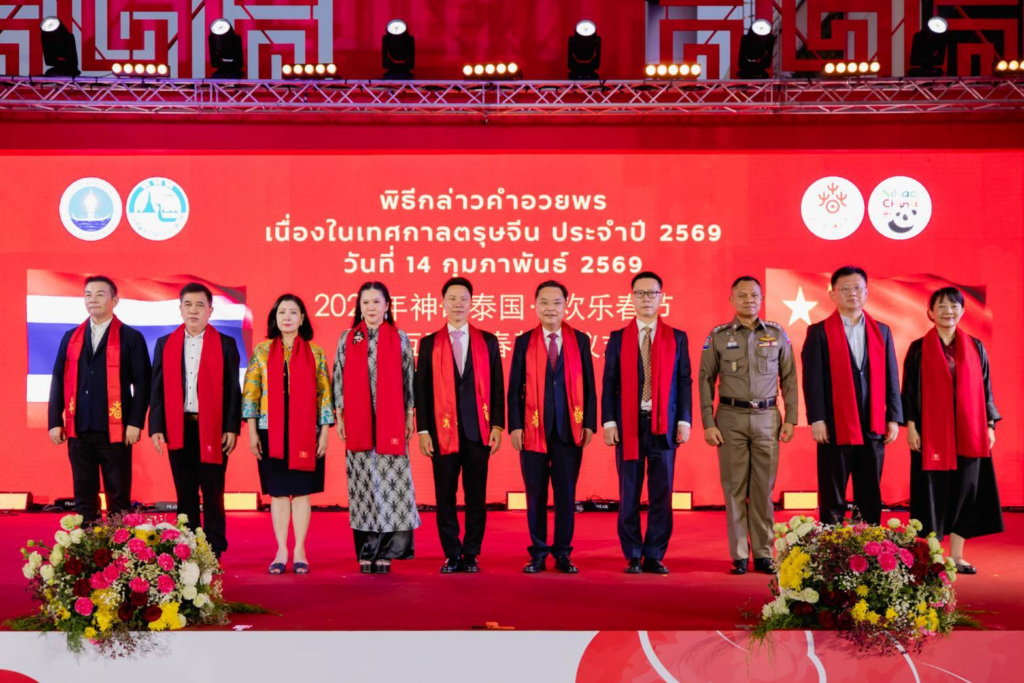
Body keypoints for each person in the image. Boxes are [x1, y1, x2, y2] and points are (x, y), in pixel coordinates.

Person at [699, 276, 798, 575]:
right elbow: (705, 380)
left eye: (754, 295)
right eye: (742, 295)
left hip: (768, 418)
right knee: (734, 488)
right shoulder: (718, 336)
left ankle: (764, 553)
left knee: (763, 489)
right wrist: (707, 422)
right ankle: (740, 553)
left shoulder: (777, 334)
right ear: (731, 300)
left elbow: (789, 378)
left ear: (761, 299)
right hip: (730, 418)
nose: (748, 300)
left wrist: (791, 418)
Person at [902, 287, 1002, 574]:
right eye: (942, 306)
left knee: (965, 492)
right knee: (932, 492)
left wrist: (990, 425)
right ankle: (933, 555)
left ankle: (957, 556)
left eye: (954, 306)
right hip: (931, 434)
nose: (948, 311)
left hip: (970, 432)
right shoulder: (919, 348)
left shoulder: (976, 346)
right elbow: (909, 391)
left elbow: (986, 388)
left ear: (962, 311)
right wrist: (911, 427)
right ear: (930, 312)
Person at [602, 271, 692, 574]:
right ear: (631, 298)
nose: (646, 299)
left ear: (661, 297)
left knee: (661, 493)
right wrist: (609, 422)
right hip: (629, 425)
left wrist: (684, 420)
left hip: (664, 425)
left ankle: (654, 553)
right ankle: (633, 554)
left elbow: (684, 381)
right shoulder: (618, 338)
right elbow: (609, 382)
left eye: (652, 293)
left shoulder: (677, 337)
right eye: (639, 293)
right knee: (629, 491)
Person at [414, 277, 505, 574]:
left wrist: (497, 425)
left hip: (478, 431)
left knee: (476, 495)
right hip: (442, 433)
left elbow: (497, 386)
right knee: (445, 495)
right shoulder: (429, 343)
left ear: (472, 302)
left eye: (463, 298)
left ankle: (471, 552)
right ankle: (452, 552)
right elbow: (421, 390)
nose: (458, 304)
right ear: (442, 303)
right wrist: (423, 430)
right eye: (452, 298)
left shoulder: (488, 341)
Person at [801, 266, 902, 527]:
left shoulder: (882, 331)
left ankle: (867, 545)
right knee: (832, 492)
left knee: (869, 493)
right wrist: (817, 419)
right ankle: (831, 544)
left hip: (873, 424)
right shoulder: (819, 332)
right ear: (832, 294)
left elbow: (892, 377)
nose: (852, 293)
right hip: (835, 425)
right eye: (845, 288)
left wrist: (893, 417)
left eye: (857, 288)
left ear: (866, 292)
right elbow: (812, 380)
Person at [508, 280, 597, 574]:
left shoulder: (580, 340)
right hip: (532, 430)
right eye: (544, 302)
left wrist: (589, 423)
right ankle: (538, 553)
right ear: (535, 305)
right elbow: (514, 389)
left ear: (565, 305)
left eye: (556, 302)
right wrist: (515, 426)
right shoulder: (524, 342)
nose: (550, 308)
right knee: (535, 495)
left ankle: (562, 553)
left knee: (565, 495)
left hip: (569, 430)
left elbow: (589, 385)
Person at [47, 276, 151, 522]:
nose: (92, 299)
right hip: (78, 427)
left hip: (116, 429)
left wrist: (135, 423)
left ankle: (119, 542)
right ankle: (88, 542)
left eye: (100, 294)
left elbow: (143, 384)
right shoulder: (70, 337)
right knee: (84, 493)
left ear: (115, 300)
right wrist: (54, 421)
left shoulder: (131, 337)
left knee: (118, 492)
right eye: (88, 294)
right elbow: (58, 379)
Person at [243, 294, 334, 575]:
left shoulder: (316, 353)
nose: (287, 317)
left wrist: (324, 433)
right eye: (282, 312)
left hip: (305, 433)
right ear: (275, 317)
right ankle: (281, 550)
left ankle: (300, 551)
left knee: (302, 493)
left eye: (293, 312)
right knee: (280, 494)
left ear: (302, 318)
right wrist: (252, 432)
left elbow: (324, 396)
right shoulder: (261, 351)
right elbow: (251, 393)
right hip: (270, 431)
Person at [150, 282, 242, 558]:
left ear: (210, 310)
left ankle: (214, 549)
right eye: (188, 305)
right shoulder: (165, 344)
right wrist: (156, 427)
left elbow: (233, 390)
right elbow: (157, 389)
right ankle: (188, 549)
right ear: (180, 309)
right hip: (179, 428)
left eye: (200, 305)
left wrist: (231, 428)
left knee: (213, 492)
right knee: (185, 491)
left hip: (212, 428)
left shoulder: (225, 344)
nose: (193, 310)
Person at [333, 282, 419, 574]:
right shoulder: (348, 338)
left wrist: (409, 415)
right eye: (365, 302)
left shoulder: (400, 338)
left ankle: (389, 551)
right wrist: (340, 416)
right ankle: (367, 550)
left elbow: (408, 379)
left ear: (387, 306)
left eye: (376, 302)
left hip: (390, 422)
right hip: (359, 424)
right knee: (364, 487)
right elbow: (338, 378)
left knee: (393, 488)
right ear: (359, 307)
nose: (371, 307)